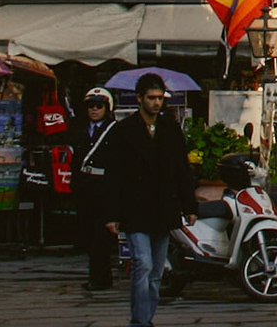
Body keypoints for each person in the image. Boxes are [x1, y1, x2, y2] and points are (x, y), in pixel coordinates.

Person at [95, 73, 195, 327]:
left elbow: (181, 169)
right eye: (151, 98)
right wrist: (111, 214)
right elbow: (113, 174)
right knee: (143, 264)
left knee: (156, 270)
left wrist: (189, 206)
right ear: (140, 98)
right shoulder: (124, 130)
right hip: (135, 208)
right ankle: (140, 321)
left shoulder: (169, 128)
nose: (156, 103)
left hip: (163, 208)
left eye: (160, 98)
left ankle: (145, 317)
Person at [73, 86, 118, 292]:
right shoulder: (80, 130)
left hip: (105, 187)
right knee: (89, 235)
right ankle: (95, 275)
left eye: (99, 106)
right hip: (86, 187)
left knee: (101, 236)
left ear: (107, 108)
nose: (94, 110)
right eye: (90, 105)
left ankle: (101, 278)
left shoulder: (114, 130)